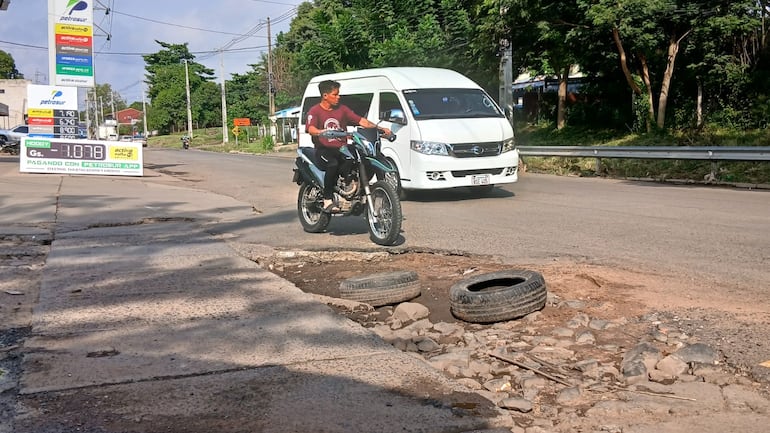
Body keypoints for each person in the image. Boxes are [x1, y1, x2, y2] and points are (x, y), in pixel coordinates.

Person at [305, 80, 391, 212]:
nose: (338, 97)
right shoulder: (315, 111)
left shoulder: (342, 109)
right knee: (332, 164)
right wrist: (320, 132)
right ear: (325, 95)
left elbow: (362, 121)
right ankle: (327, 199)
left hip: (342, 148)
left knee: (360, 157)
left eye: (338, 94)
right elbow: (311, 128)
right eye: (335, 94)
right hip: (324, 149)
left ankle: (354, 189)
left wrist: (380, 129)